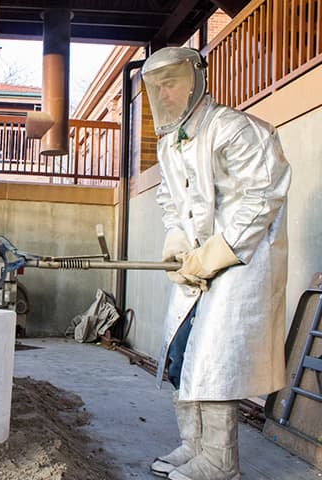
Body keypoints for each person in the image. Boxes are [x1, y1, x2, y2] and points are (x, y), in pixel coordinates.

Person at [142, 47, 291, 480]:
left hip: (239, 265)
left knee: (214, 360)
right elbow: (171, 198)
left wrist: (213, 254)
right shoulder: (171, 141)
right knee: (183, 354)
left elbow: (263, 195)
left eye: (172, 81)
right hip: (197, 267)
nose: (165, 92)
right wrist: (176, 242)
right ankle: (194, 446)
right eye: (157, 86)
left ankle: (220, 460)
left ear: (196, 79)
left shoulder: (234, 130)